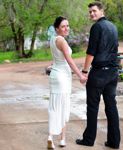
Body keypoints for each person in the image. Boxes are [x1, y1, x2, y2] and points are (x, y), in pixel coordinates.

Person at [76, 1, 121, 149]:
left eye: (94, 11)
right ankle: (114, 142)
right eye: (90, 12)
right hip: (113, 73)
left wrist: (84, 72)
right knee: (111, 107)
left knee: (92, 107)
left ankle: (88, 140)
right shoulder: (113, 27)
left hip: (99, 73)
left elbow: (91, 52)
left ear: (102, 11)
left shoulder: (96, 27)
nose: (92, 14)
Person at [47, 16, 87, 149]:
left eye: (68, 26)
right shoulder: (62, 41)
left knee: (55, 106)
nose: (66, 28)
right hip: (62, 76)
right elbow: (69, 61)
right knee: (62, 106)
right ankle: (60, 138)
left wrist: (51, 65)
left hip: (55, 75)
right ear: (57, 28)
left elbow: (57, 58)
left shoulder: (53, 39)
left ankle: (54, 137)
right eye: (63, 26)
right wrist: (80, 75)